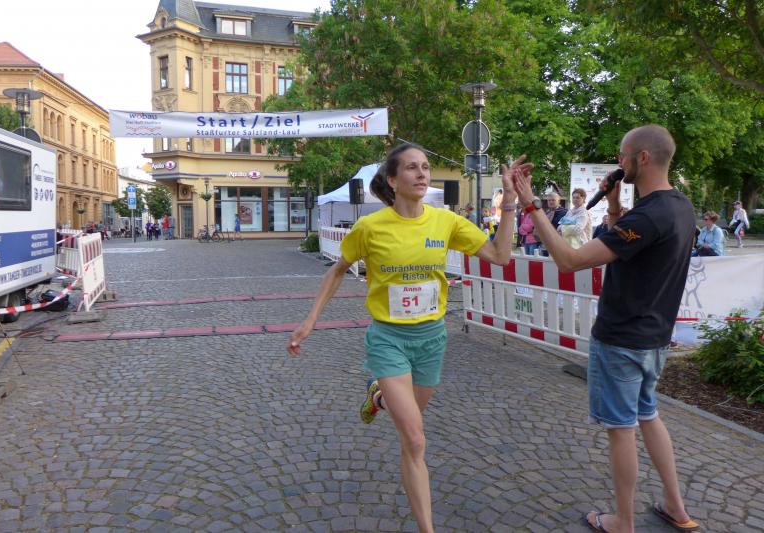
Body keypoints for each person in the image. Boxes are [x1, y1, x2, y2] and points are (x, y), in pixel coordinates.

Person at [287, 143, 532, 533]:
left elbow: (501, 256)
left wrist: (510, 203)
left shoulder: (446, 222)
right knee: (415, 440)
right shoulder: (370, 227)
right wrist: (310, 320)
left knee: (409, 429)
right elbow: (337, 270)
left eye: (426, 167)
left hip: (432, 339)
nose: (422, 174)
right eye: (412, 168)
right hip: (388, 340)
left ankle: (380, 397)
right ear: (392, 179)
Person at [512, 124, 699, 533]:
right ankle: (675, 506)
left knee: (620, 429)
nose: (618, 161)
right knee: (648, 415)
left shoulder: (648, 216)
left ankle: (622, 521)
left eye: (622, 155)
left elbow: (569, 260)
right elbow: (632, 246)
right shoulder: (679, 206)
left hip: (621, 338)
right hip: (654, 338)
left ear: (642, 158)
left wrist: (530, 206)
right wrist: (613, 206)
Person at [536, 191, 567, 256]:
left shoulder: (564, 212)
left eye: (553, 200)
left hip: (558, 245)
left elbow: (562, 228)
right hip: (546, 244)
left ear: (559, 201)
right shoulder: (547, 213)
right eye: (549, 200)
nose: (551, 202)